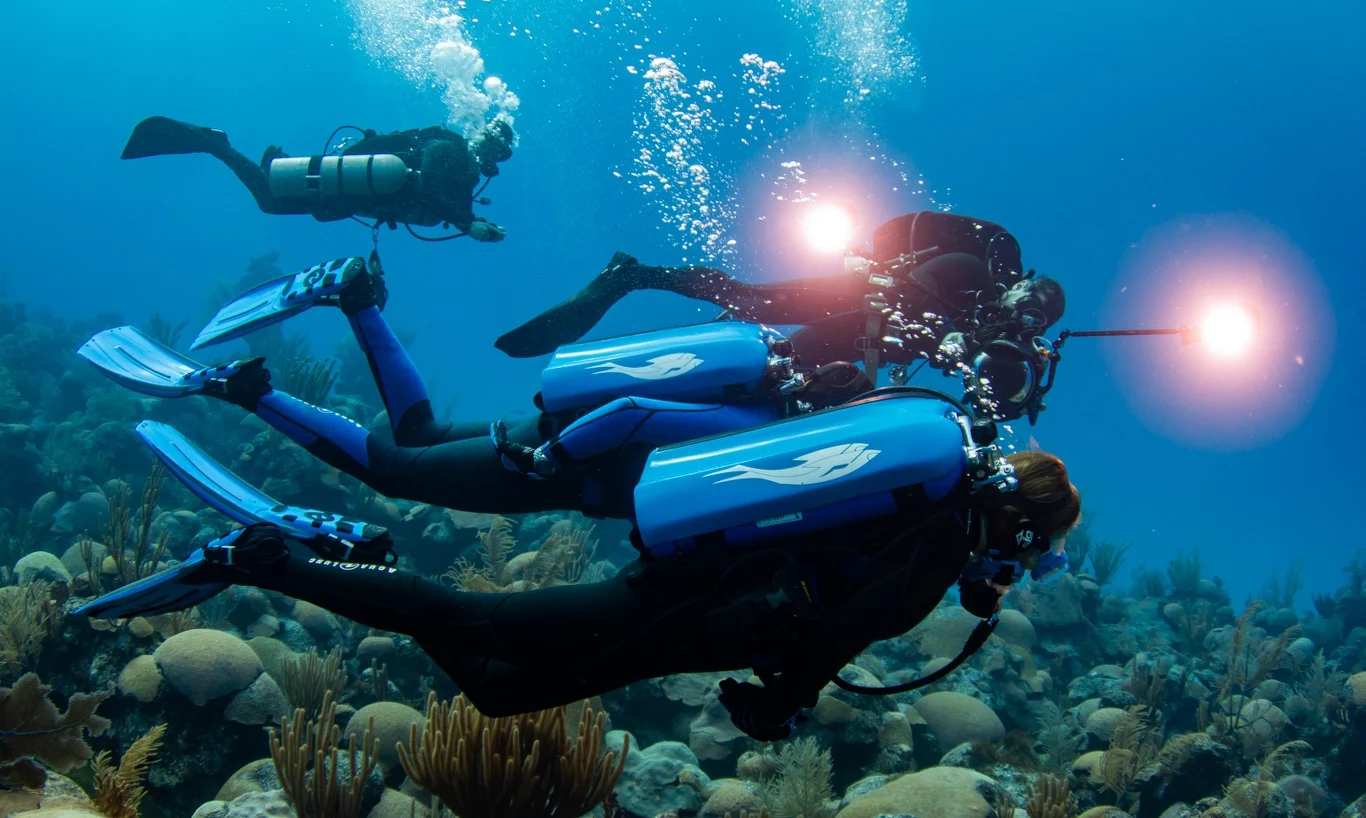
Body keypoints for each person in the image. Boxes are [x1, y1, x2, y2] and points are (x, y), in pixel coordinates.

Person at [76, 262, 1081, 741]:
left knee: (496, 677)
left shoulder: (902, 467)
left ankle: (348, 546)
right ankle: (267, 549)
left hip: (672, 569)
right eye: (1031, 557)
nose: (1016, 573)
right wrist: (785, 696)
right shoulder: (936, 535)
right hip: (658, 572)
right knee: (444, 553)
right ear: (1018, 532)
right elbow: (846, 622)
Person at [494, 212, 1066, 421]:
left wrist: (1010, 384)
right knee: (750, 300)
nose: (1027, 315)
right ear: (1021, 285)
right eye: (1031, 301)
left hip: (859, 338)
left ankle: (675, 395)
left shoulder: (991, 331)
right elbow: (907, 299)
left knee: (780, 364)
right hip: (856, 298)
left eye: (1038, 318)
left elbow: (988, 398)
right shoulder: (972, 270)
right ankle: (634, 274)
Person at [120, 116, 512, 241]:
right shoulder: (448, 149)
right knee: (271, 202)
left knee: (274, 199)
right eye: (496, 149)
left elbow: (441, 205)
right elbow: (426, 185)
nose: (495, 160)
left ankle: (268, 162)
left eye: (502, 156)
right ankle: (215, 144)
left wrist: (472, 221)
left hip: (353, 199)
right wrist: (467, 223)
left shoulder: (463, 177)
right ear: (482, 139)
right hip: (352, 192)